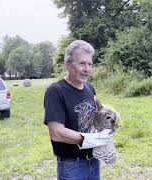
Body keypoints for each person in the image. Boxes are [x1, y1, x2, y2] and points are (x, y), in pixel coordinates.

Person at [43, 40, 113, 180]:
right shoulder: (56, 91)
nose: (87, 69)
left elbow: (96, 117)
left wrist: (110, 117)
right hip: (72, 165)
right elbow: (56, 133)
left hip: (94, 160)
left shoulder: (89, 88)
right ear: (68, 65)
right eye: (82, 63)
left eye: (90, 64)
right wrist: (89, 139)